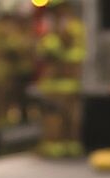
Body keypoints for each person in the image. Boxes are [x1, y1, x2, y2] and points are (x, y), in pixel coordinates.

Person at [36, 0, 85, 157]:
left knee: (55, 116)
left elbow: (48, 51)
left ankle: (56, 146)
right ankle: (70, 145)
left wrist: (47, 46)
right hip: (71, 82)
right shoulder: (76, 27)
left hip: (59, 82)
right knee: (70, 115)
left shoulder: (60, 28)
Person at [0, 0, 35, 126]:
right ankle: (3, 130)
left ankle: (1, 127)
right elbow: (16, 47)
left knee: (0, 103)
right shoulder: (6, 30)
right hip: (5, 73)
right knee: (4, 102)